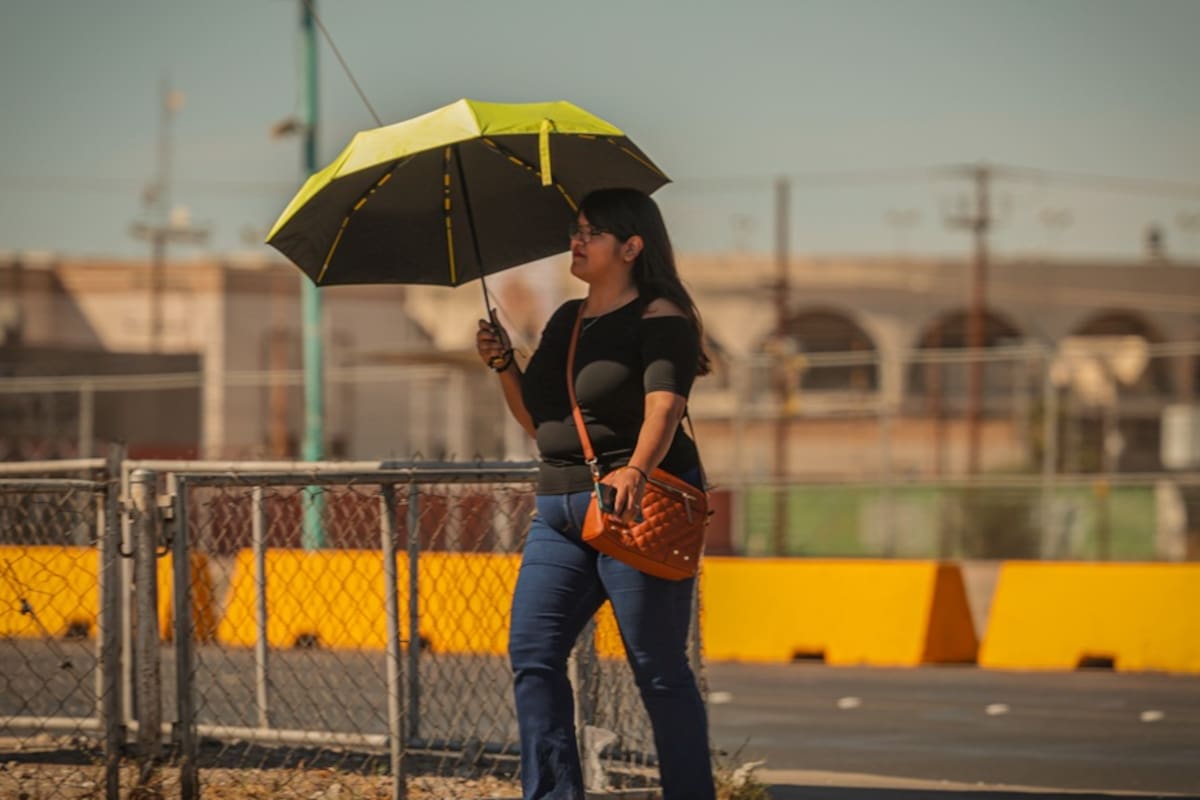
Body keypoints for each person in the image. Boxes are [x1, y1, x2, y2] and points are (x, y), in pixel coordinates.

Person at [475, 187, 715, 800]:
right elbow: (537, 420)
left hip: (632, 508)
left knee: (658, 671)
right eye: (575, 230)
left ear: (632, 246)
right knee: (532, 653)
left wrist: (634, 469)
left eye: (591, 233)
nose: (575, 241)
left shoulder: (663, 318)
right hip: (557, 509)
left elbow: (664, 408)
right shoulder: (566, 320)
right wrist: (505, 364)